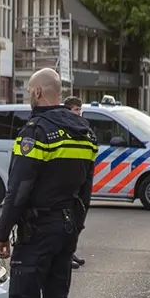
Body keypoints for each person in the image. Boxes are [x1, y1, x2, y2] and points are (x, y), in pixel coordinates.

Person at [0, 69, 98, 298]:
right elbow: (86, 190)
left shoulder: (35, 133)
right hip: (66, 227)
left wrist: (2, 233)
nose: (27, 95)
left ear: (38, 92)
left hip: (38, 229)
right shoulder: (85, 133)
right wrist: (75, 228)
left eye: (27, 90)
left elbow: (19, 190)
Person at [62, 96, 89, 270]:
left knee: (78, 220)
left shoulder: (82, 127)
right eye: (75, 109)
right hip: (68, 182)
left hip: (81, 180)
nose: (78, 113)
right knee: (68, 221)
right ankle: (65, 255)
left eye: (79, 109)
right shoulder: (64, 128)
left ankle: (71, 251)